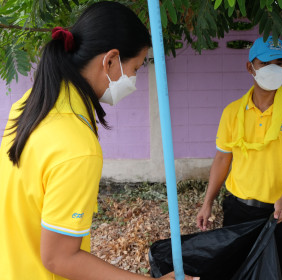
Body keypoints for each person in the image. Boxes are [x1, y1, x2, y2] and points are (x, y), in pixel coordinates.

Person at [0, 2, 197, 280]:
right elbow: (59, 257)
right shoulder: (77, 147)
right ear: (111, 60)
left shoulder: (30, 104)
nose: (133, 79)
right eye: (136, 68)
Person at [196, 36, 282, 280]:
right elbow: (222, 159)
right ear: (250, 67)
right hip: (238, 212)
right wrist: (208, 201)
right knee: (236, 271)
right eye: (267, 63)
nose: (274, 69)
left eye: (280, 63)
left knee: (280, 272)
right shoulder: (232, 112)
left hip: (280, 215)